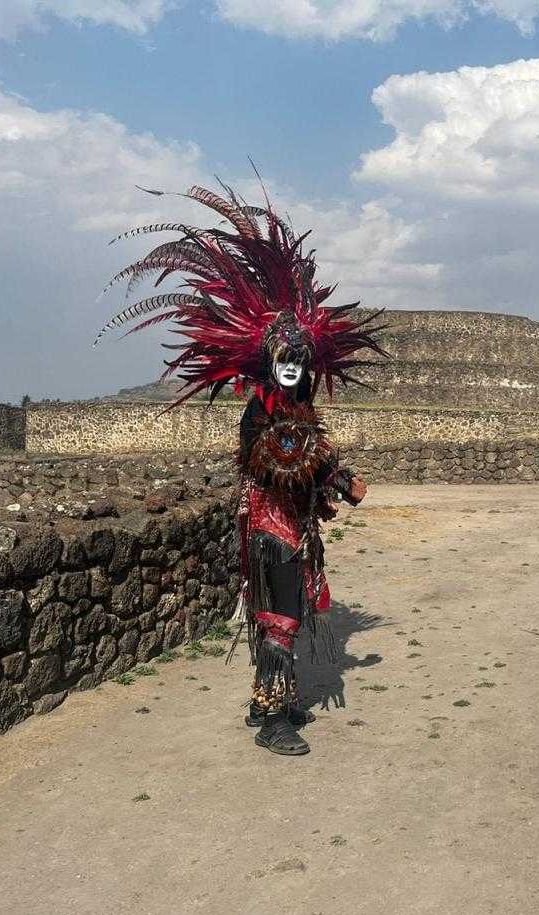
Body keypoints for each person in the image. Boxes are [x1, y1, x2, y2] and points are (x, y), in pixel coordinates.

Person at [97, 183, 385, 756]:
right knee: (278, 614)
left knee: (286, 609)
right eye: (284, 358)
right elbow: (285, 459)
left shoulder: (297, 408)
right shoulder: (261, 412)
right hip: (270, 527)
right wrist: (335, 476)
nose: (291, 366)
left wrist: (331, 476)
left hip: (292, 526)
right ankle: (274, 717)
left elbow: (303, 449)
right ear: (267, 360)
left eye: (300, 359)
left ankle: (269, 697)